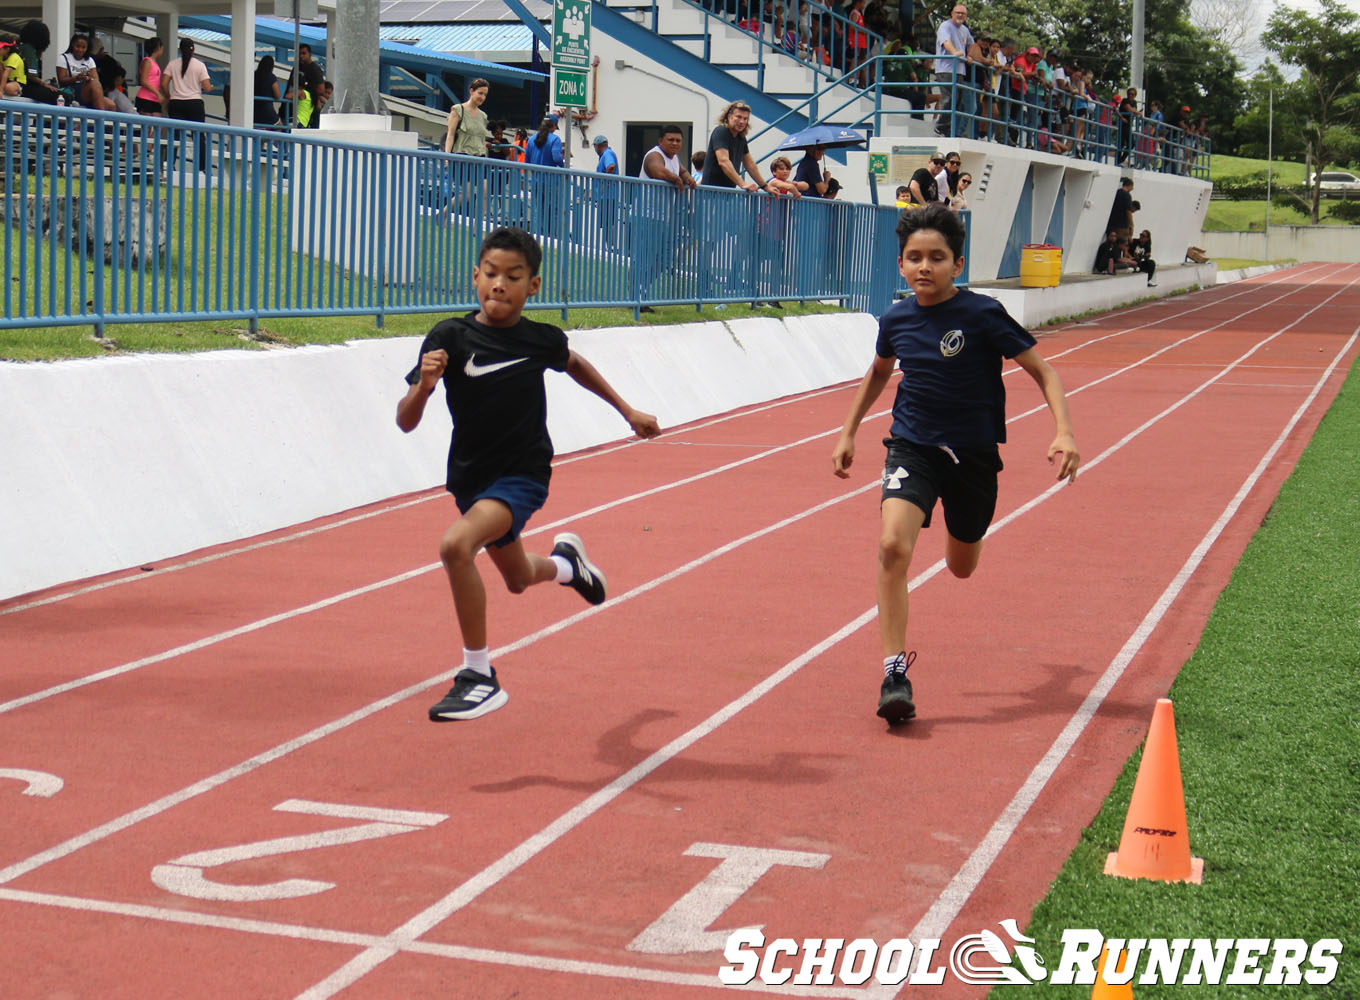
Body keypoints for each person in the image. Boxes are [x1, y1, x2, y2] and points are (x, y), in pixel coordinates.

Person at [396, 226, 661, 721]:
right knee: (517, 578)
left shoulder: (539, 339)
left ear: (532, 286)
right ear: (475, 277)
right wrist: (425, 387)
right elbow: (405, 421)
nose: (500, 284)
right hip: (471, 480)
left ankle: (478, 675)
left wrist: (628, 411)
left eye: (513, 276)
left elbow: (575, 363)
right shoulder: (449, 337)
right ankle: (568, 566)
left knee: (456, 546)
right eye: (491, 274)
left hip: (523, 474)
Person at [830, 203, 1079, 724]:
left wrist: (1064, 431)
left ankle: (959, 530)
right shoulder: (896, 318)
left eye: (936, 258)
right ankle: (894, 674)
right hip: (912, 446)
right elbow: (878, 374)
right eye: (914, 258)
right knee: (892, 546)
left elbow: (1044, 373)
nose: (924, 267)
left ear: (956, 265)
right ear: (900, 265)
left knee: (960, 566)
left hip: (974, 458)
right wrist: (849, 430)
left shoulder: (982, 314)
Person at [162, 39, 213, 174]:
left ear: (180, 50)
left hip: (176, 103)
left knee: (174, 135)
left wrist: (169, 96)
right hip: (194, 103)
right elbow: (207, 87)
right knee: (199, 136)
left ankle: (170, 165)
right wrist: (211, 86)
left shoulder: (172, 64)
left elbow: (164, 83)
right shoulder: (199, 65)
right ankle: (202, 168)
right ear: (193, 49)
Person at [700, 100, 767, 190]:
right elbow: (723, 161)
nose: (742, 121)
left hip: (728, 193)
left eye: (745, 119)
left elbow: (750, 164)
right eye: (738, 117)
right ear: (729, 117)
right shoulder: (721, 131)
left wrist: (765, 186)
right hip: (711, 193)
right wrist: (742, 184)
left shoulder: (741, 137)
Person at [933, 3, 973, 136]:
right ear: (952, 13)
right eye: (958, 12)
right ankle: (941, 126)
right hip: (945, 69)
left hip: (959, 70)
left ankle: (947, 127)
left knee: (957, 100)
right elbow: (946, 42)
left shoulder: (964, 30)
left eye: (963, 13)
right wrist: (955, 52)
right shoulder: (945, 26)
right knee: (949, 98)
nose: (960, 15)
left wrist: (970, 55)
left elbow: (971, 44)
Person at [56, 34, 114, 110]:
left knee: (111, 105)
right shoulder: (63, 58)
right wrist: (76, 78)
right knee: (95, 84)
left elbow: (95, 79)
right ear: (72, 45)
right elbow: (61, 80)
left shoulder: (89, 60)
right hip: (70, 91)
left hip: (88, 89)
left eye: (83, 47)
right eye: (78, 46)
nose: (80, 50)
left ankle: (101, 118)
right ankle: (100, 120)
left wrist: (87, 77)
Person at [444, 78, 490, 157]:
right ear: (471, 91)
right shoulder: (458, 110)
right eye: (480, 93)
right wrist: (447, 157)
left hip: (479, 159)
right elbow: (450, 135)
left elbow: (482, 140)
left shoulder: (483, 116)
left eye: (485, 95)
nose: (482, 97)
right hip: (461, 157)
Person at [135, 38, 165, 116]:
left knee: (157, 124)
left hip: (154, 98)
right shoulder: (147, 61)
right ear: (158, 47)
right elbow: (143, 81)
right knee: (147, 126)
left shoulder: (154, 62)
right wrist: (157, 93)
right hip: (145, 97)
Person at [253, 55, 281, 127]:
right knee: (283, 130)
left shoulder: (254, 75)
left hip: (254, 110)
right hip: (267, 110)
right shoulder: (271, 77)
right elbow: (278, 96)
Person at [1107, 176, 1134, 241]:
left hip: (1112, 223)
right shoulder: (1127, 195)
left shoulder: (1116, 192)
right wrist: (1131, 225)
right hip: (1122, 225)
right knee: (1123, 246)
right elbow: (1128, 211)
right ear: (1130, 186)